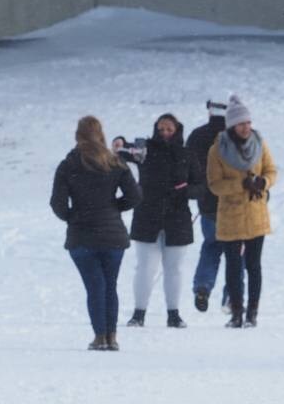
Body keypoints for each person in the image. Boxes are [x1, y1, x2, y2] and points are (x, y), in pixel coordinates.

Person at [51, 115, 141, 350]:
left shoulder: (68, 165)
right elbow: (135, 196)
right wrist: (113, 208)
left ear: (77, 135)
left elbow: (57, 204)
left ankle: (99, 336)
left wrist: (74, 216)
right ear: (102, 134)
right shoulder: (115, 163)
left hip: (82, 236)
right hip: (113, 235)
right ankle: (112, 336)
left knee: (94, 287)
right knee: (110, 285)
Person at [115, 113, 197, 329]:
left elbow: (201, 186)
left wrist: (185, 191)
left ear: (177, 130)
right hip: (147, 215)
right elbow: (123, 151)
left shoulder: (187, 154)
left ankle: (174, 314)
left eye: (169, 129)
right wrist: (120, 140)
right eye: (161, 129)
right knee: (145, 268)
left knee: (174, 269)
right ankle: (138, 313)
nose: (164, 133)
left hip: (178, 217)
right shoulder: (145, 150)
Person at [205, 94, 277, 328]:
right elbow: (215, 184)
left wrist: (262, 183)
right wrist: (240, 185)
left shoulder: (260, 142)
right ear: (232, 125)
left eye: (248, 123)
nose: (246, 127)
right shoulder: (217, 150)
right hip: (231, 215)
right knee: (233, 266)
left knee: (254, 265)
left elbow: (271, 171)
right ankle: (236, 311)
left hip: (256, 213)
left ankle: (252, 313)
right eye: (241, 123)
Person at [187, 99, 228, 315]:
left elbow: (186, 167)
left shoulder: (196, 136)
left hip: (207, 203)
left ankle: (202, 286)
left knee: (211, 246)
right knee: (236, 252)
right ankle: (231, 295)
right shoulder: (237, 136)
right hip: (233, 205)